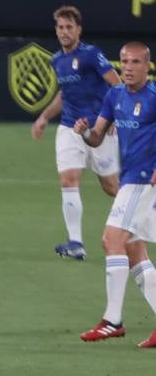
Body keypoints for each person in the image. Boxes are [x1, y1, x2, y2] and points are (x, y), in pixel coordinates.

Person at [72, 42, 156, 346]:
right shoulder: (115, 95)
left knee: (112, 239)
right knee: (134, 252)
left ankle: (112, 320)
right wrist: (83, 132)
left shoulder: (154, 97)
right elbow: (96, 137)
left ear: (147, 66)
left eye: (135, 62)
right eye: (123, 62)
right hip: (129, 179)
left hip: (144, 182)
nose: (128, 67)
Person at [31, 5, 121, 261]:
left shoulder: (91, 55)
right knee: (68, 180)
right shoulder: (56, 60)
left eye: (69, 27)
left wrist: (115, 113)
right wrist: (44, 117)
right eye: (60, 27)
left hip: (99, 129)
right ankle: (75, 243)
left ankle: (146, 213)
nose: (64, 32)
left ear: (78, 29)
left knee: (112, 186)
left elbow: (117, 84)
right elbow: (64, 95)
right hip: (70, 128)